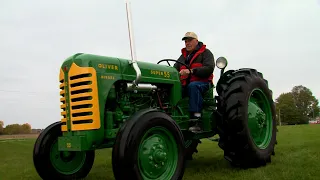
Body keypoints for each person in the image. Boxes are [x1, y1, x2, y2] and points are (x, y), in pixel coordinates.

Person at [174, 32, 215, 132]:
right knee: (172, 89)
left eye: (190, 40)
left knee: (193, 86)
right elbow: (174, 69)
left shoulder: (205, 53)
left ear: (196, 41)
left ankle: (196, 120)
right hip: (186, 85)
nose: (187, 43)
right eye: (186, 41)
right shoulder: (182, 57)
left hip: (203, 83)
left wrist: (191, 71)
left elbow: (209, 68)